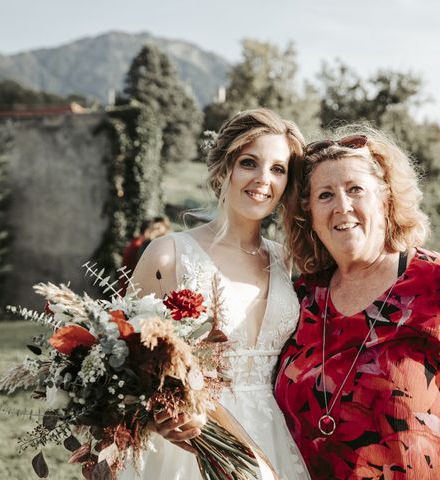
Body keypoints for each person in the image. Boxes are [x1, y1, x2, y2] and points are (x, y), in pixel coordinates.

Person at [274, 127, 440, 479]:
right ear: (309, 214)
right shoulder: (301, 297)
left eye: (355, 190)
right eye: (325, 195)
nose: (342, 206)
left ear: (385, 199)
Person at [121, 109, 310, 479]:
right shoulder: (167, 253)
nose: (262, 179)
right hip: (190, 444)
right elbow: (122, 362)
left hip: (272, 438)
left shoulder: (284, 260)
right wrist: (157, 415)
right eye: (249, 163)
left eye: (278, 169)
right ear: (225, 168)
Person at [119, 216, 172, 294]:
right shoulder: (138, 245)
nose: (155, 231)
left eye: (158, 229)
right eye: (154, 228)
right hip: (132, 292)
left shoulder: (166, 250)